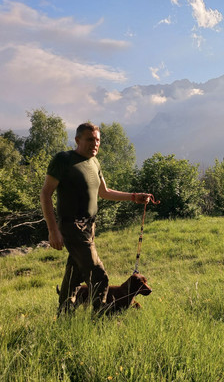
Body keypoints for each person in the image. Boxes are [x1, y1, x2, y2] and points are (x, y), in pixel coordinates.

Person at [40, 122, 151, 316]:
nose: (95, 144)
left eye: (98, 140)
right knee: (98, 274)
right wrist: (53, 230)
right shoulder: (63, 160)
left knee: (74, 275)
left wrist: (134, 197)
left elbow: (105, 192)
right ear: (77, 140)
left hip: (89, 227)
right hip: (72, 226)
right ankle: (101, 319)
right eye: (90, 139)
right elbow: (45, 194)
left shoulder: (94, 162)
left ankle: (64, 317)